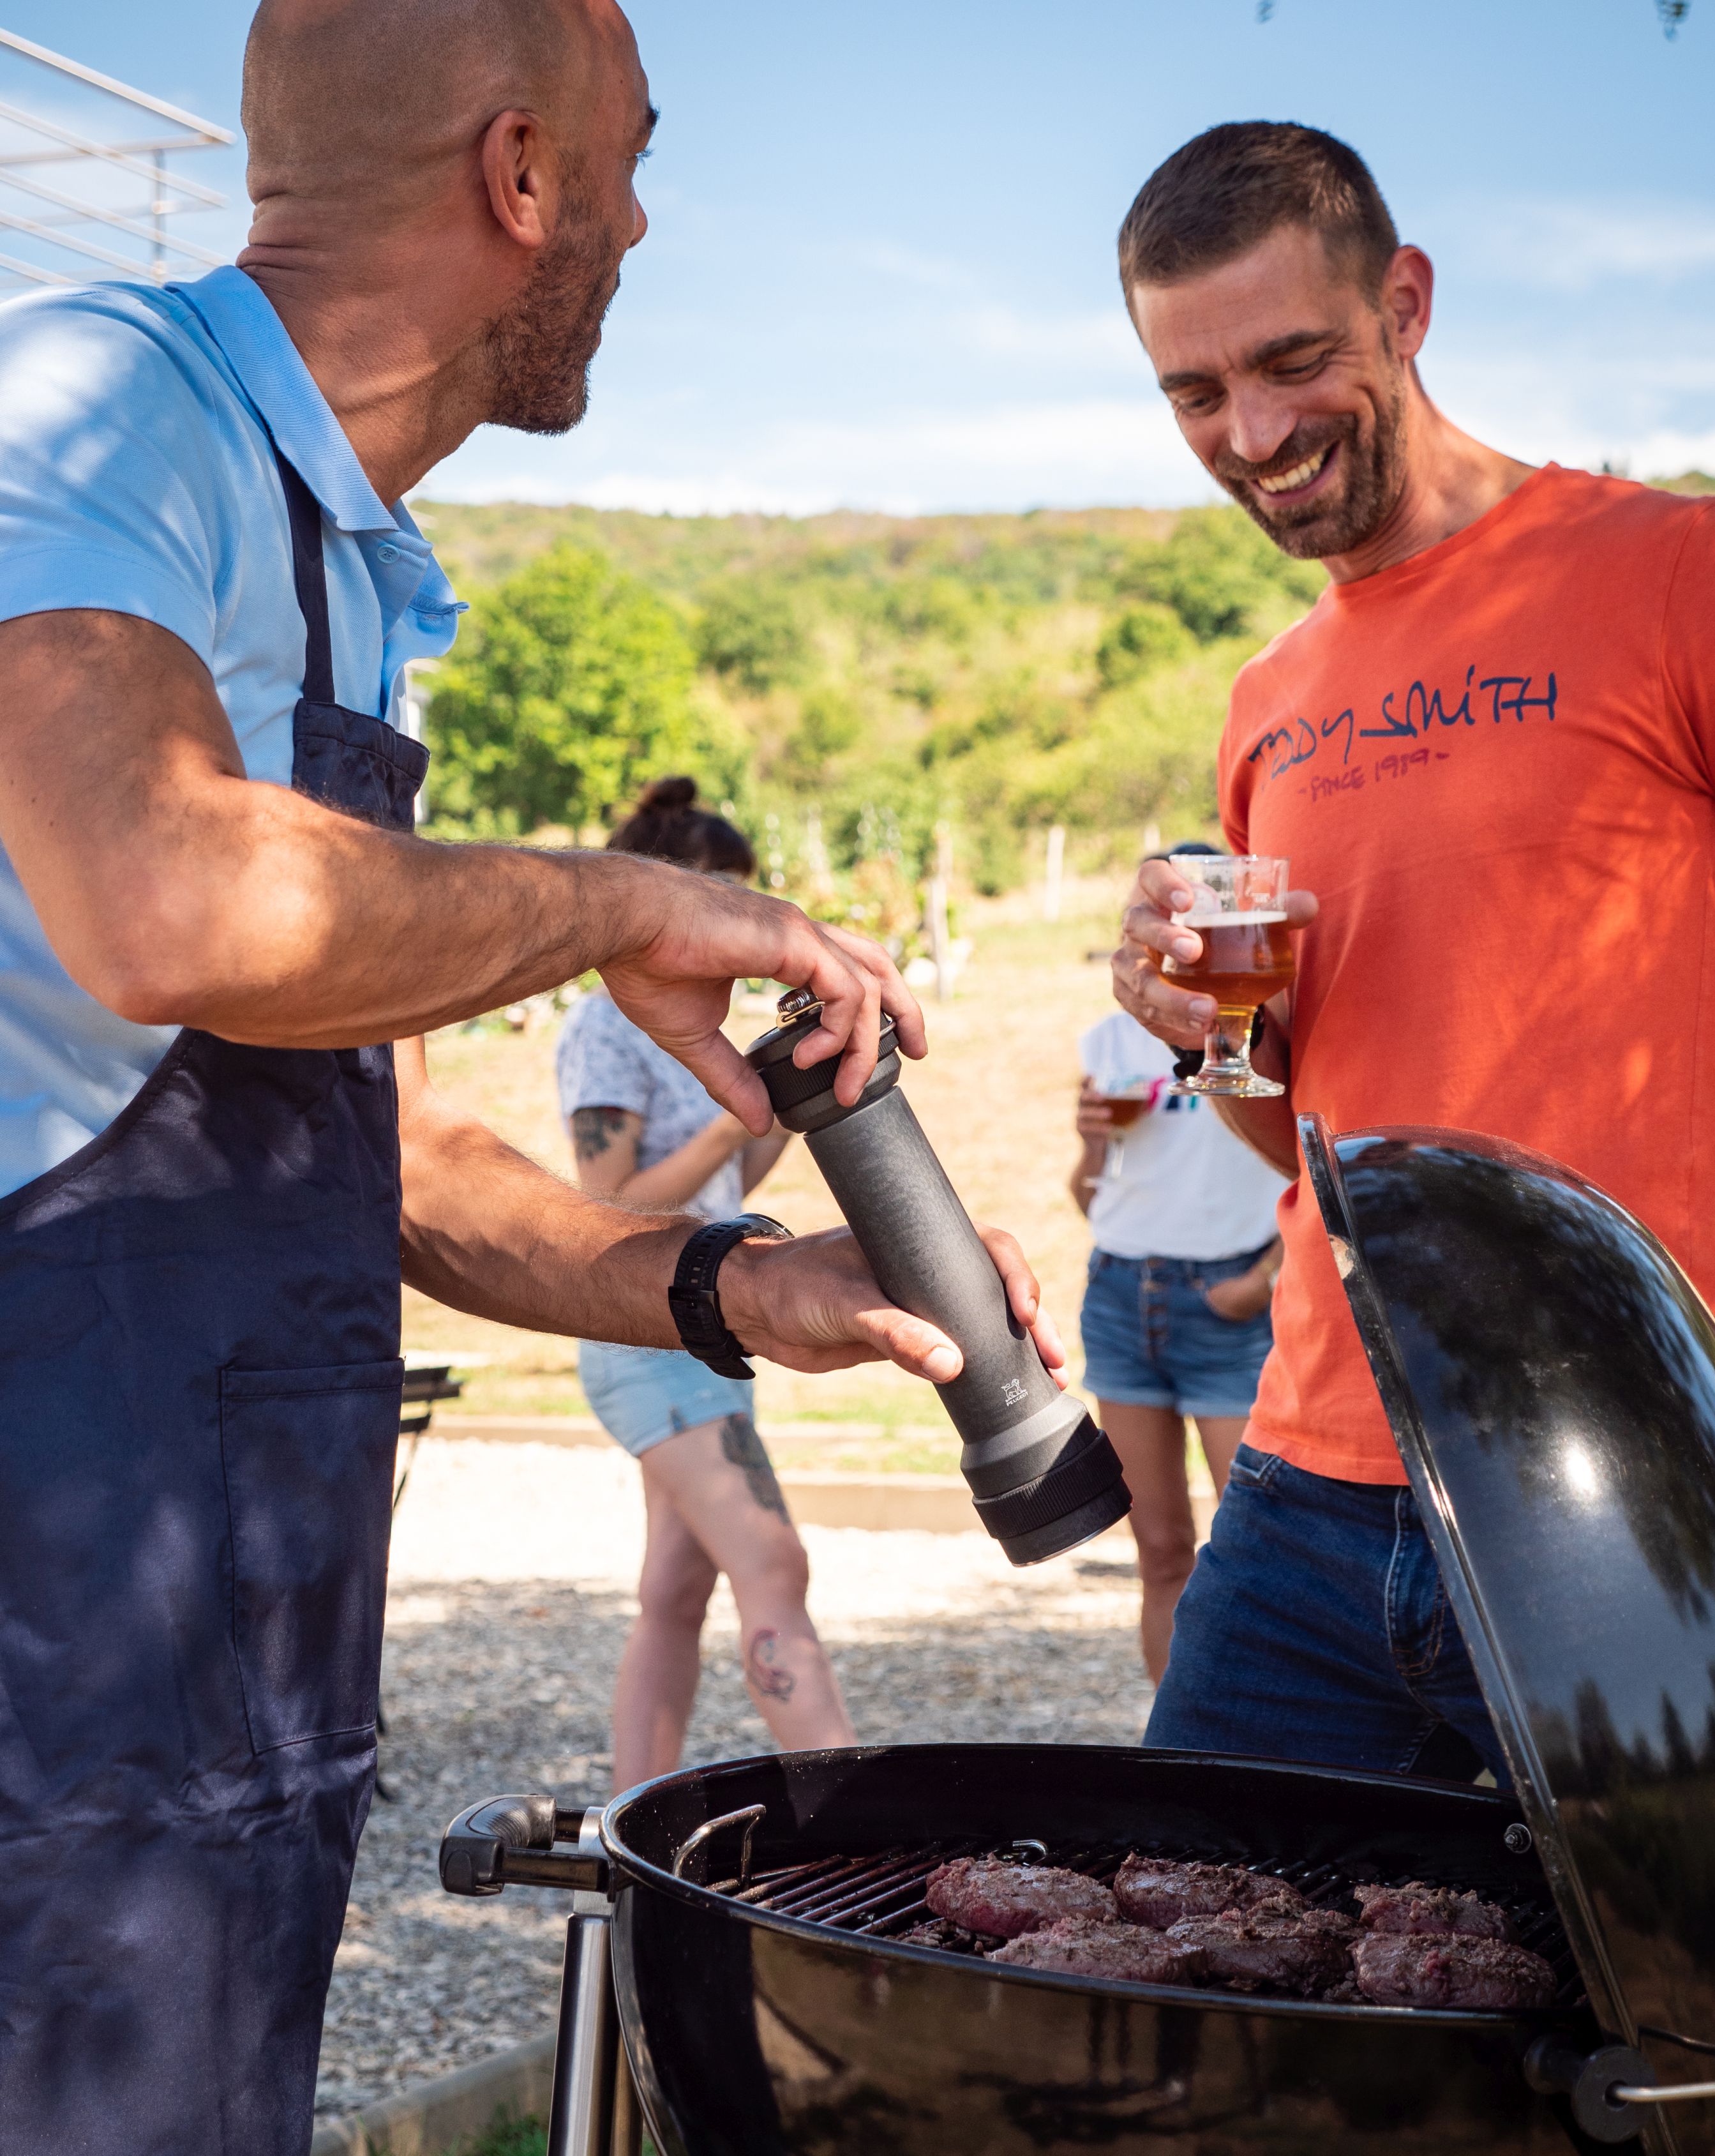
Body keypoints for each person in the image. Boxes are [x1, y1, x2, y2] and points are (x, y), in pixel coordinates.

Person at [0, 6, 1061, 2150]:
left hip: (226, 1714)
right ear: (522, 176)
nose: (650, 217)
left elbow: (356, 1161)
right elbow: (162, 895)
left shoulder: (349, 582)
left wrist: (739, 1288)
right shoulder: (92, 401)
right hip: (53, 1698)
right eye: (634, 159)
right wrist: (609, 905)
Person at [1109, 121, 1715, 1784]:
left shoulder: (1690, 579)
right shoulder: (1271, 702)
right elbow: (1304, 1120)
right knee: (1207, 1994)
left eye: (1291, 359)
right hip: (1311, 1477)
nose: (1250, 435)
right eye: (1195, 392)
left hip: (1627, 1479)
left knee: (1658, 2031)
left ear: (1402, 304)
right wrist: (1204, 1029)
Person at [557, 778, 855, 1788]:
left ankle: (624, 1822)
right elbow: (616, 1201)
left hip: (700, 1323)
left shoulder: (694, 1019)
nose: (745, 934)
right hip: (648, 1327)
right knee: (774, 1565)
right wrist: (733, 1118)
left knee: (673, 1591)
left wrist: (772, 1108)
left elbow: (731, 1179)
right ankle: (852, 1820)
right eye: (726, 902)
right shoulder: (606, 1027)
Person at [1072, 847, 1287, 1684]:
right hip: (1123, 1293)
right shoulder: (1105, 1036)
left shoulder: (1258, 1022)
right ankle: (1172, 1764)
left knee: (1256, 1561)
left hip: (1226, 1298)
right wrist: (1091, 1141)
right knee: (1159, 1549)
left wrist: (1262, 1276)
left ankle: (1262, 1762)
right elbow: (1090, 1192)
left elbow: (1304, 1159)